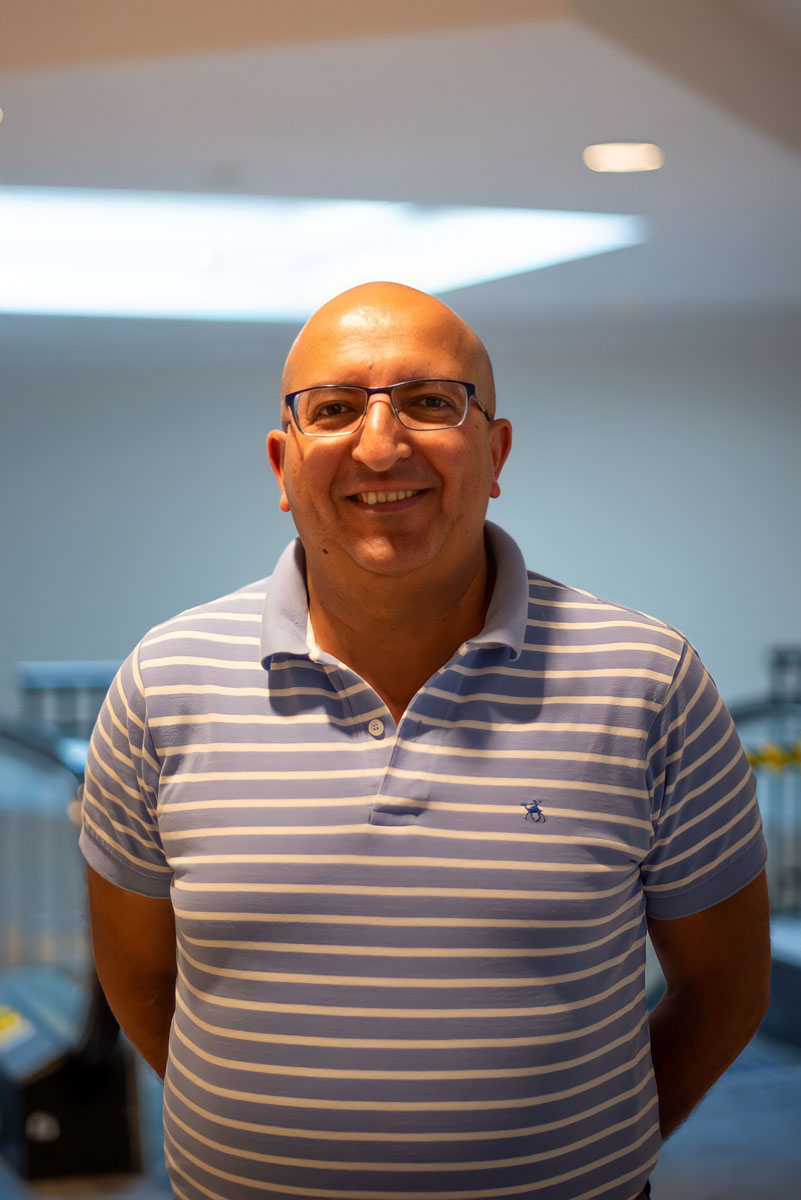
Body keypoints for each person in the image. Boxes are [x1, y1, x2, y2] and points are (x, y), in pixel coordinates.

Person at [80, 281, 770, 1200]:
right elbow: (138, 979)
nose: (380, 445)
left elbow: (725, 989)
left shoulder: (650, 682)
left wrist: (595, 1155)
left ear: (496, 451)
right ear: (283, 465)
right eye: (334, 409)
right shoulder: (162, 684)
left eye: (430, 403)